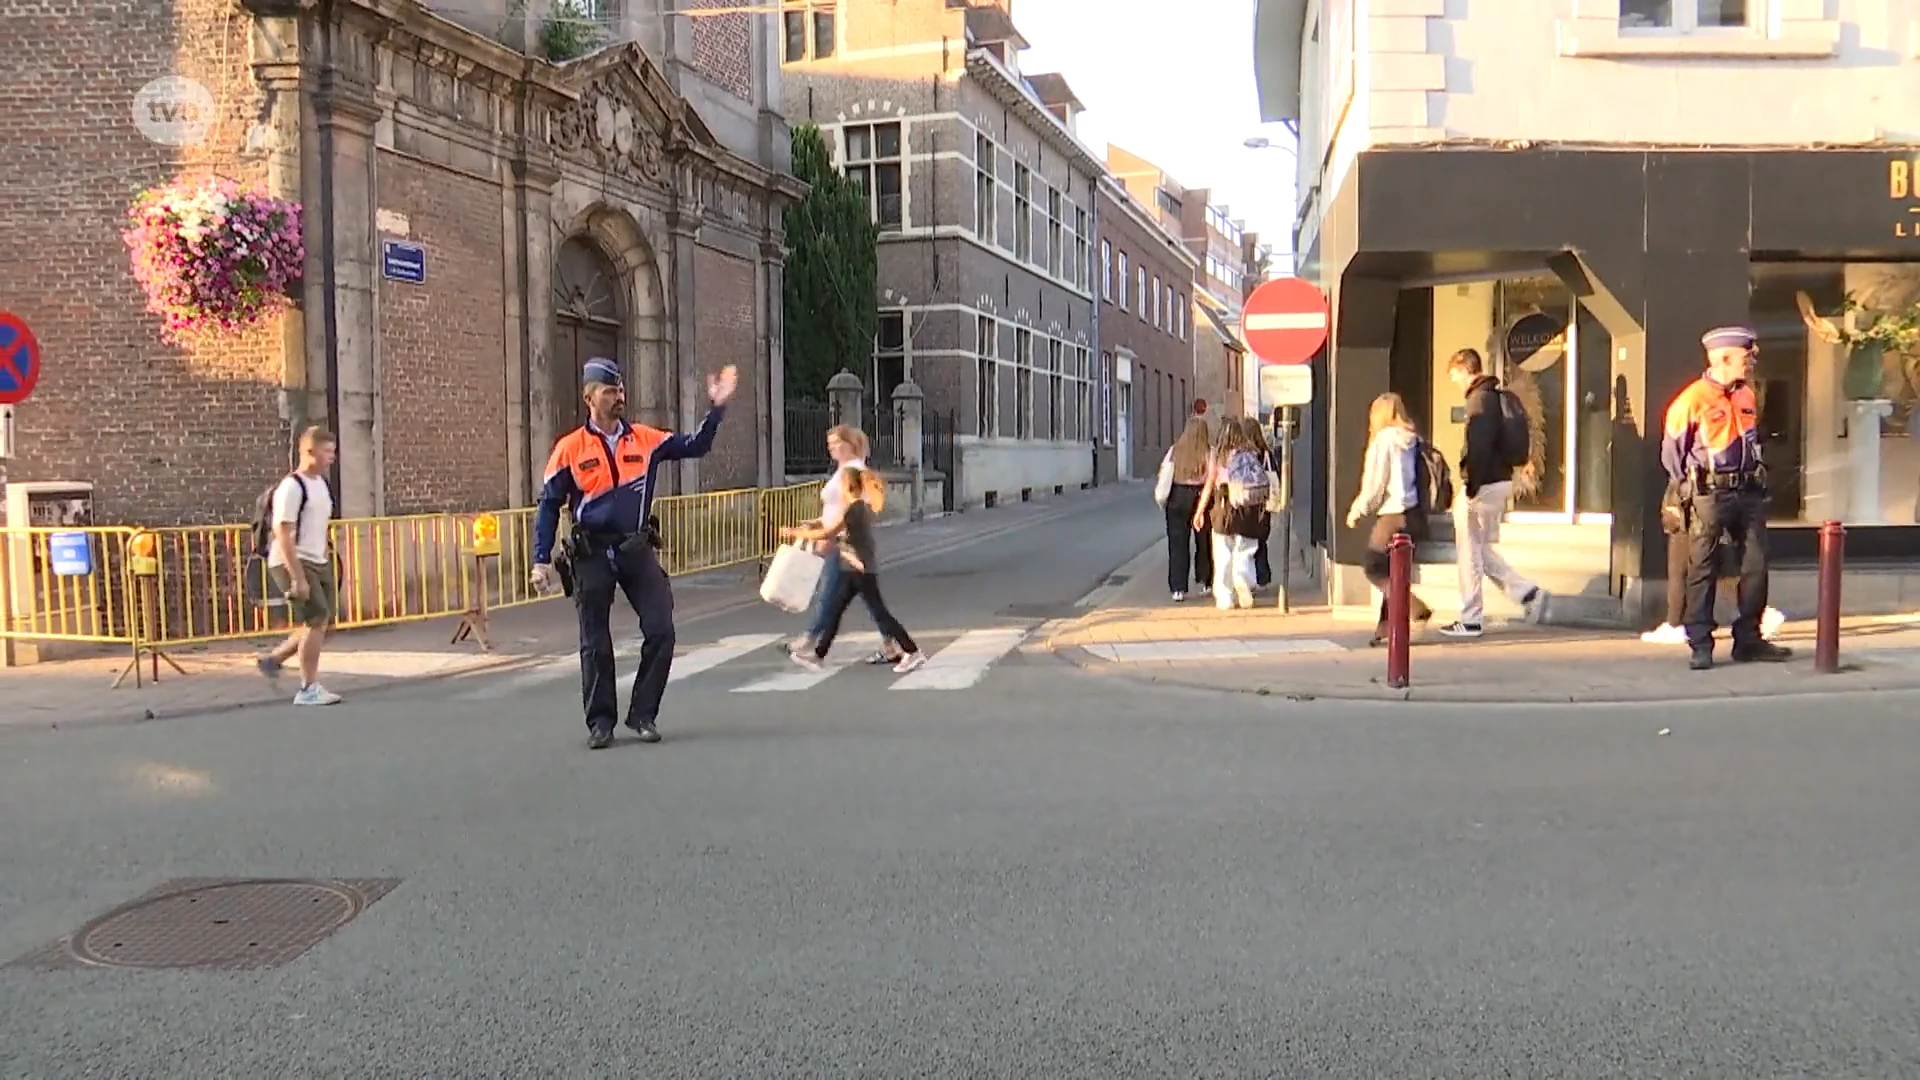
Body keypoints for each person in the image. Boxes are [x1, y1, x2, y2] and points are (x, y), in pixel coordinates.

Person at [531, 357, 737, 749]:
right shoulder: (570, 449)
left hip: (635, 547)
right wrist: (540, 559)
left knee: (661, 629)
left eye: (621, 389)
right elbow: (548, 504)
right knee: (595, 641)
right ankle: (601, 722)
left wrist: (717, 409)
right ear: (590, 396)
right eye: (610, 391)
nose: (619, 396)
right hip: (591, 551)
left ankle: (643, 713)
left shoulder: (644, 439)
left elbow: (696, 445)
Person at [1661, 326, 1793, 670]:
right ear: (1723, 358)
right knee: (1703, 568)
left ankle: (1748, 640)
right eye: (1746, 357)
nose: (1751, 363)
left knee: (1755, 565)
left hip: (1748, 490)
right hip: (1709, 492)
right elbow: (1671, 454)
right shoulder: (1691, 399)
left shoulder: (1747, 395)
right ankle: (1700, 644)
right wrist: (1689, 486)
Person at [1437, 348, 1546, 638]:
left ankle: (1471, 618)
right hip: (1500, 481)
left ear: (1464, 369)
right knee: (1480, 548)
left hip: (1482, 483)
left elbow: (1478, 447)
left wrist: (1470, 487)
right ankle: (1527, 593)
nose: (1454, 381)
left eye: (1454, 375)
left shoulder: (1479, 400)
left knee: (1469, 551)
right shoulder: (1496, 396)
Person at [779, 466, 927, 673]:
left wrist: (795, 533)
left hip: (861, 569)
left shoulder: (855, 509)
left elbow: (829, 532)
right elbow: (834, 526)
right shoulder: (857, 507)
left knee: (880, 614)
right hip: (853, 568)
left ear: (846, 486)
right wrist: (812, 525)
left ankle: (912, 651)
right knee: (836, 610)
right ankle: (818, 655)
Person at [1641, 477, 1785, 644]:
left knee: (1687, 558)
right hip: (1717, 486)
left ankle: (1678, 622)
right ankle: (1757, 616)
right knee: (1722, 560)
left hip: (1697, 486)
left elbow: (1675, 455)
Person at [257, 426, 342, 706]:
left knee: (321, 620)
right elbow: (282, 531)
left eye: (333, 450)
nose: (332, 457)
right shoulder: (292, 487)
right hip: (292, 559)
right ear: (309, 452)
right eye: (327, 451)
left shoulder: (321, 484)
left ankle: (274, 659)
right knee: (315, 620)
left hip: (319, 558)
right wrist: (298, 578)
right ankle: (308, 689)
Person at [1345, 393, 1435, 646]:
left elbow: (1375, 484)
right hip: (1415, 514)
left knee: (1373, 566)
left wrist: (1358, 510)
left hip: (1393, 513)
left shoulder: (1383, 441)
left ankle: (1412, 605)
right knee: (1393, 570)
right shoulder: (1413, 440)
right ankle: (1385, 628)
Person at [788, 425, 876, 660]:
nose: (831, 447)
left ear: (850, 444)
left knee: (830, 592)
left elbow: (854, 508)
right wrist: (818, 522)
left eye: (836, 443)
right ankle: (891, 642)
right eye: (830, 443)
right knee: (865, 596)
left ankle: (809, 639)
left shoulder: (854, 471)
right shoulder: (844, 470)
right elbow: (837, 506)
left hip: (844, 542)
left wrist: (830, 534)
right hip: (840, 539)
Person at [1190, 420, 1266, 610]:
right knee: (1245, 549)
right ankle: (1243, 577)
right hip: (1247, 509)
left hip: (1224, 507)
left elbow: (1209, 485)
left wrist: (1199, 512)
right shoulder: (1251, 453)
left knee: (1223, 553)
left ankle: (1225, 597)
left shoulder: (1220, 456)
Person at [1153, 417, 1215, 601]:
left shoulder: (1175, 450)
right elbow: (1211, 480)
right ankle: (1205, 581)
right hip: (1201, 497)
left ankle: (1178, 588)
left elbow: (1164, 472)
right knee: (1204, 543)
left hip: (1177, 497)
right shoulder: (1209, 452)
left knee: (1178, 544)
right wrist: (1201, 510)